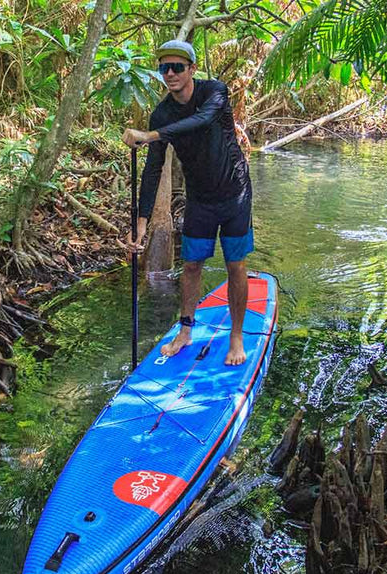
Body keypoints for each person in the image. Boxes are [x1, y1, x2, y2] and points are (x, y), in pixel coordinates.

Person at [122, 40, 254, 366]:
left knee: (235, 265)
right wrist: (140, 225)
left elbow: (203, 121)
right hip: (200, 199)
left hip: (235, 193)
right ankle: (185, 330)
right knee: (192, 265)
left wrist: (152, 135)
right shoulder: (162, 113)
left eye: (177, 67)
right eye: (164, 68)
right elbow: (152, 171)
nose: (170, 73)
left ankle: (236, 336)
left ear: (192, 69)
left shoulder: (215, 92)